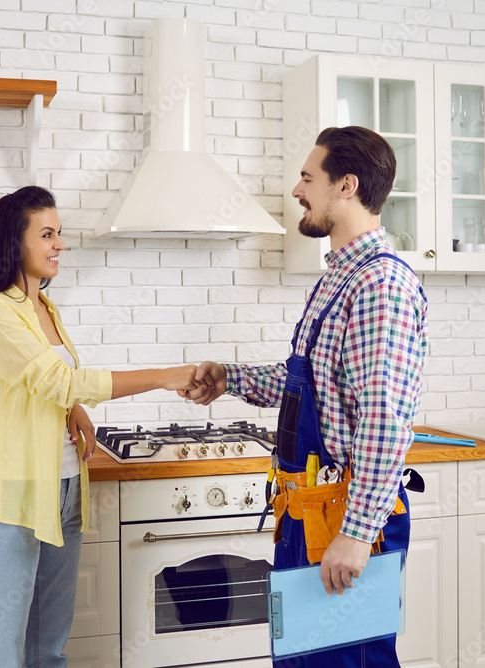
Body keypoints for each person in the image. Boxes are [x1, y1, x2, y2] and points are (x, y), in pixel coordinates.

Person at [184, 126, 428, 668]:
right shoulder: (338, 279)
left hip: (344, 518)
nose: (297, 190)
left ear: (346, 185)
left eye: (306, 177)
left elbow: (384, 422)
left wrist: (358, 534)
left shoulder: (379, 286)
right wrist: (230, 378)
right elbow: (311, 382)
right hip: (307, 513)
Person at [0, 185, 199, 668]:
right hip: (11, 496)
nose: (59, 244)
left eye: (59, 234)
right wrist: (164, 376)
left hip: (64, 488)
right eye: (47, 234)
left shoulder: (45, 309)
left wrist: (72, 411)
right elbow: (58, 378)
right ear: (13, 242)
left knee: (47, 646)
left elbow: (45, 386)